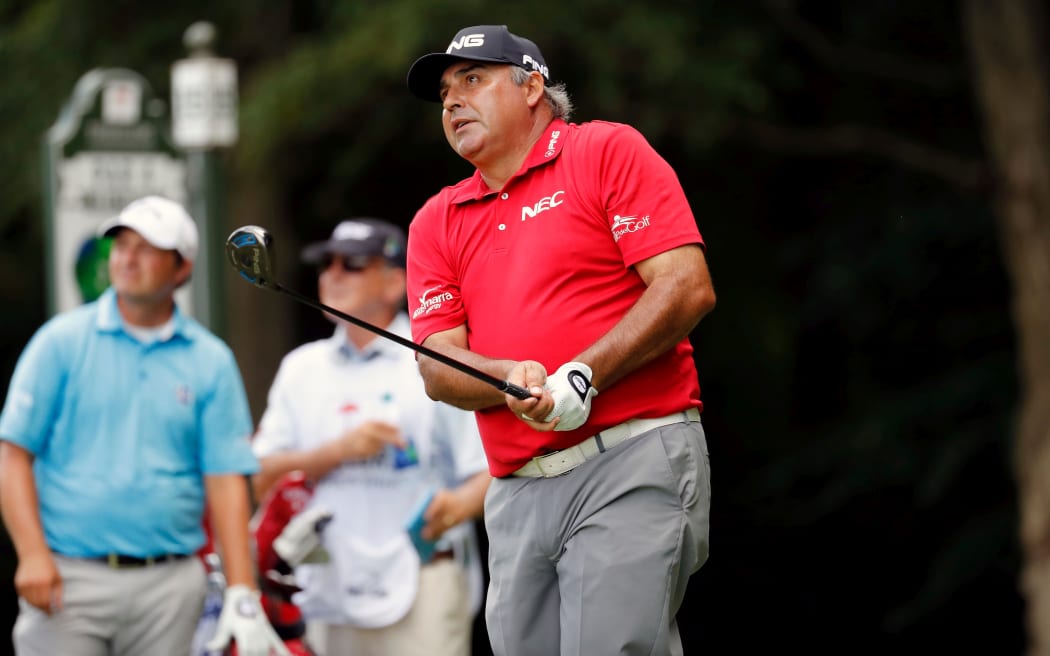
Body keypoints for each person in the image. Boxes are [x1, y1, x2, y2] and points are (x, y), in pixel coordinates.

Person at [404, 25, 717, 656]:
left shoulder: (603, 151)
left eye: (473, 79)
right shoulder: (437, 219)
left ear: (532, 88)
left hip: (630, 457)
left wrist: (584, 373)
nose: (453, 100)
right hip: (517, 489)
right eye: (444, 93)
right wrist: (506, 378)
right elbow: (438, 366)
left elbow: (686, 286)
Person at [0, 195, 288, 656]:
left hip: (170, 587)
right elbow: (13, 453)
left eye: (147, 248)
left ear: (182, 268)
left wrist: (241, 589)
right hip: (68, 578)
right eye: (122, 245)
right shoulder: (59, 342)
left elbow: (226, 480)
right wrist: (31, 553)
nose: (128, 258)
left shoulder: (210, 360)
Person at [250, 217, 490, 656]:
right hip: (325, 588)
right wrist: (338, 452)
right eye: (326, 263)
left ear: (395, 282)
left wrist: (456, 506)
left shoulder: (435, 359)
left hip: (422, 583)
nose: (333, 274)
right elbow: (259, 477)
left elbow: (491, 469)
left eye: (353, 264)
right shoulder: (301, 368)